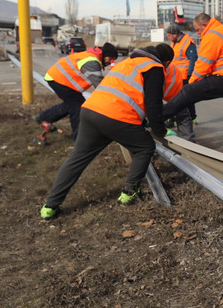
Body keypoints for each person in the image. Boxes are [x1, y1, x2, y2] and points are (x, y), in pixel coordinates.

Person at [39, 44, 177, 221]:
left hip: (90, 111)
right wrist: (160, 131)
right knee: (144, 147)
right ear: (165, 61)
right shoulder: (154, 67)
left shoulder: (128, 62)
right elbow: (153, 105)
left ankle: (49, 206)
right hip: (116, 117)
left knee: (77, 159)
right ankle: (129, 193)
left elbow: (127, 93)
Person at [162, 13, 223, 164]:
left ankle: (157, 117)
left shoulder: (212, 35)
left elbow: (202, 65)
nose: (198, 33)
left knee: (187, 92)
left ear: (204, 25)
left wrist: (191, 84)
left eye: (198, 30)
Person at [35, 43, 118, 141]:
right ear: (105, 55)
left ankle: (44, 117)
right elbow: (100, 84)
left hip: (59, 79)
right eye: (111, 58)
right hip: (59, 80)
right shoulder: (92, 62)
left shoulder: (92, 57)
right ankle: (79, 139)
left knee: (71, 104)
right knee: (78, 108)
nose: (111, 62)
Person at [165, 24, 198, 141]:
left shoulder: (188, 42)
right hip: (176, 75)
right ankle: (175, 117)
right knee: (178, 98)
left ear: (175, 34)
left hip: (184, 76)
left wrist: (189, 75)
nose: (168, 37)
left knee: (183, 99)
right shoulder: (174, 42)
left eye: (169, 35)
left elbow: (193, 59)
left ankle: (191, 117)